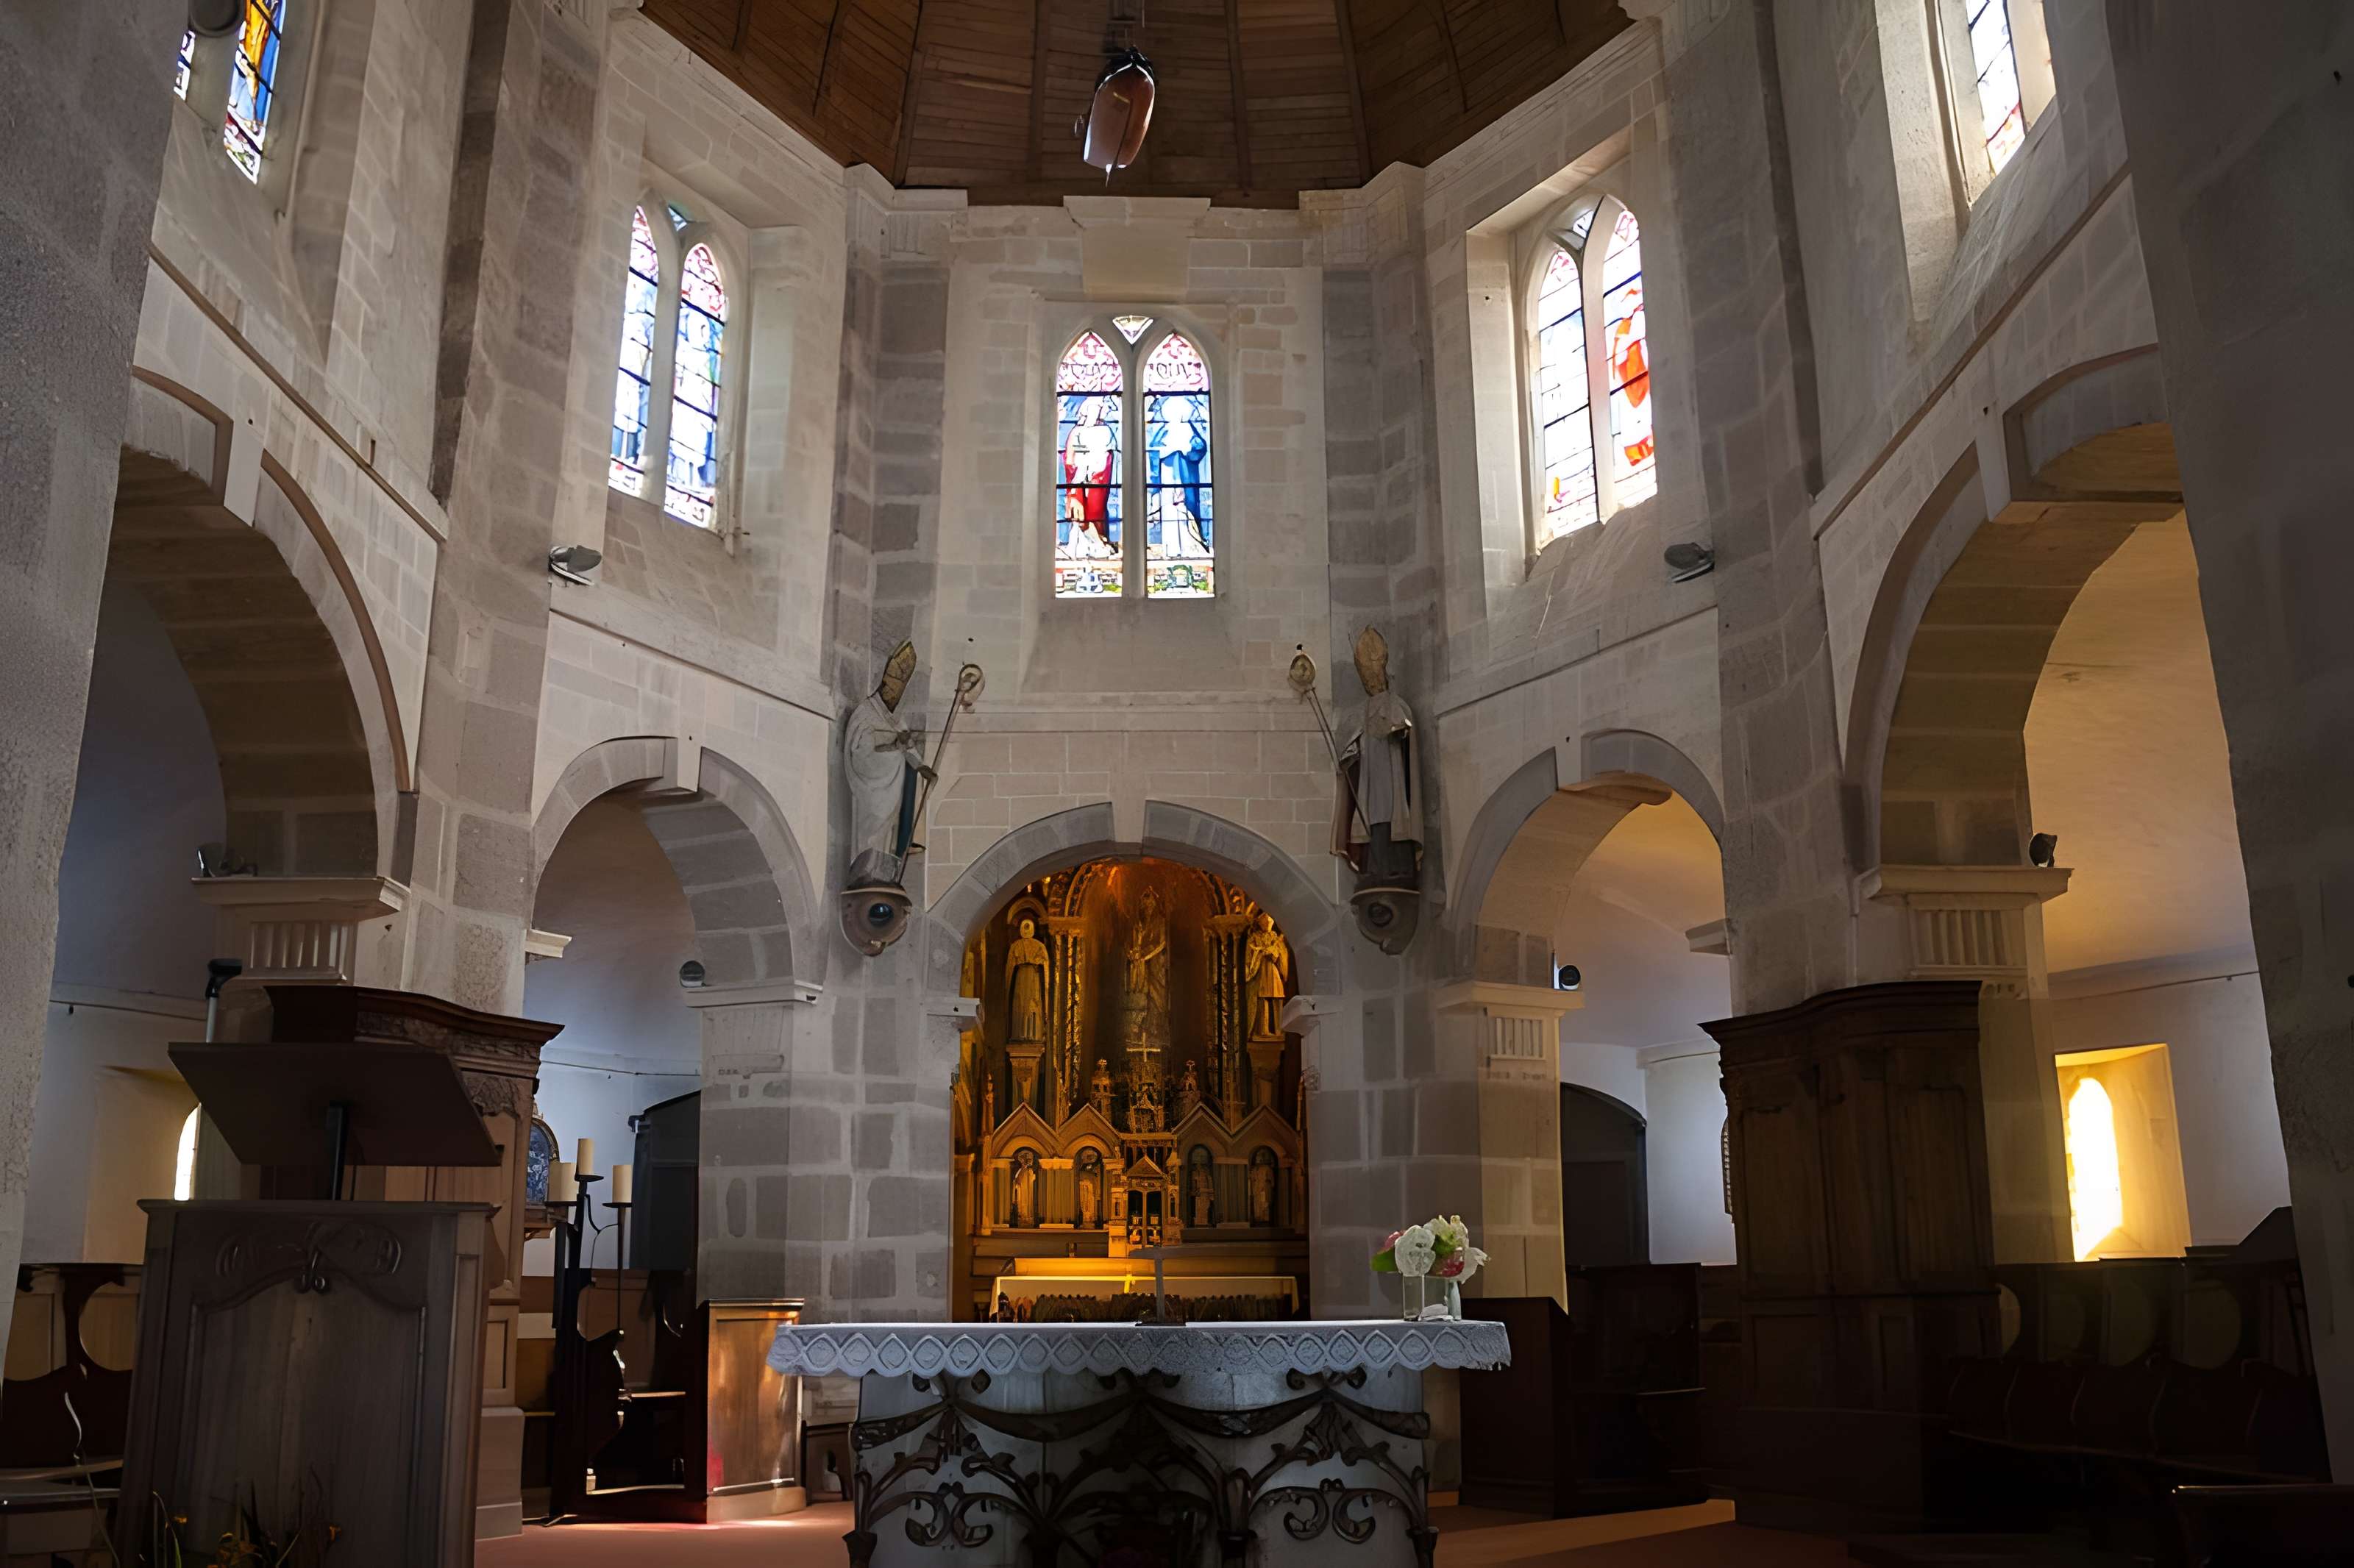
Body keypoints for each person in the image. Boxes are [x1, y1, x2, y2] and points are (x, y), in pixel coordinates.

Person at [843, 641, 928, 885]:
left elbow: (908, 748)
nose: (894, 696)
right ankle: (866, 874)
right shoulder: (865, 715)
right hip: (873, 792)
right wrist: (896, 749)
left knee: (888, 837)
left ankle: (887, 869)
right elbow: (861, 756)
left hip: (894, 793)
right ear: (882, 684)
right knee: (875, 830)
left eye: (898, 691)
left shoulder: (891, 719)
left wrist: (918, 762)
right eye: (891, 689)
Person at [1062, 396, 1116, 556]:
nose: (1094, 413)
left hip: (1097, 476)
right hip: (1078, 477)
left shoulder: (1105, 430)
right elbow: (1070, 456)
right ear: (1085, 412)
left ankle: (1098, 542)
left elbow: (1107, 453)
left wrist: (1094, 468)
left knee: (1095, 510)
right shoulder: (1077, 431)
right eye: (1092, 410)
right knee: (1078, 512)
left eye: (1097, 410)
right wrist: (1079, 470)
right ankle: (1081, 546)